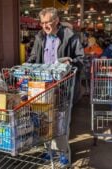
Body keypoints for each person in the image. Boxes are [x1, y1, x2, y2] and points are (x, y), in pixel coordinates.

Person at [27, 7, 84, 165]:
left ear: (57, 20)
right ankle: (48, 150)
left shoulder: (70, 36)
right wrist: (27, 66)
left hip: (64, 86)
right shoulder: (39, 37)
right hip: (43, 86)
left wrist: (71, 63)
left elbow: (81, 59)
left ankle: (63, 152)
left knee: (61, 121)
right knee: (44, 119)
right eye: (42, 22)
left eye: (48, 22)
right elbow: (33, 57)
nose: (45, 25)